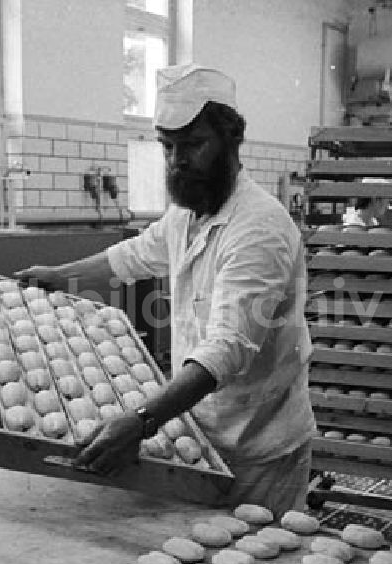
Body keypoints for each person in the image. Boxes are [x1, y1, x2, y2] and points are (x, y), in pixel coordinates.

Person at [16, 63, 316, 516]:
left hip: (258, 446)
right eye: (167, 146)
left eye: (194, 145)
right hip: (201, 431)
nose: (178, 160)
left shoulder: (260, 227)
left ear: (231, 141)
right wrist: (60, 276)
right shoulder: (188, 216)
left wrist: (141, 422)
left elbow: (228, 347)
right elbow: (133, 256)